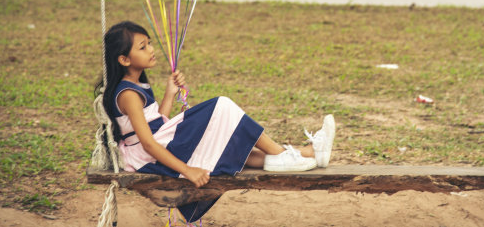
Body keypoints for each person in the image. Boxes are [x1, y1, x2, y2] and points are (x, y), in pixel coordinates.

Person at [95, 21, 335, 223]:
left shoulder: (136, 85)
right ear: (125, 60)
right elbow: (148, 143)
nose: (151, 49)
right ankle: (282, 155)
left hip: (160, 143)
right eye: (143, 47)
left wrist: (169, 93)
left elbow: (156, 121)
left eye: (149, 43)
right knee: (222, 106)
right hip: (151, 156)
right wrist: (187, 170)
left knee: (230, 147)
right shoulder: (127, 94)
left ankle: (309, 153)